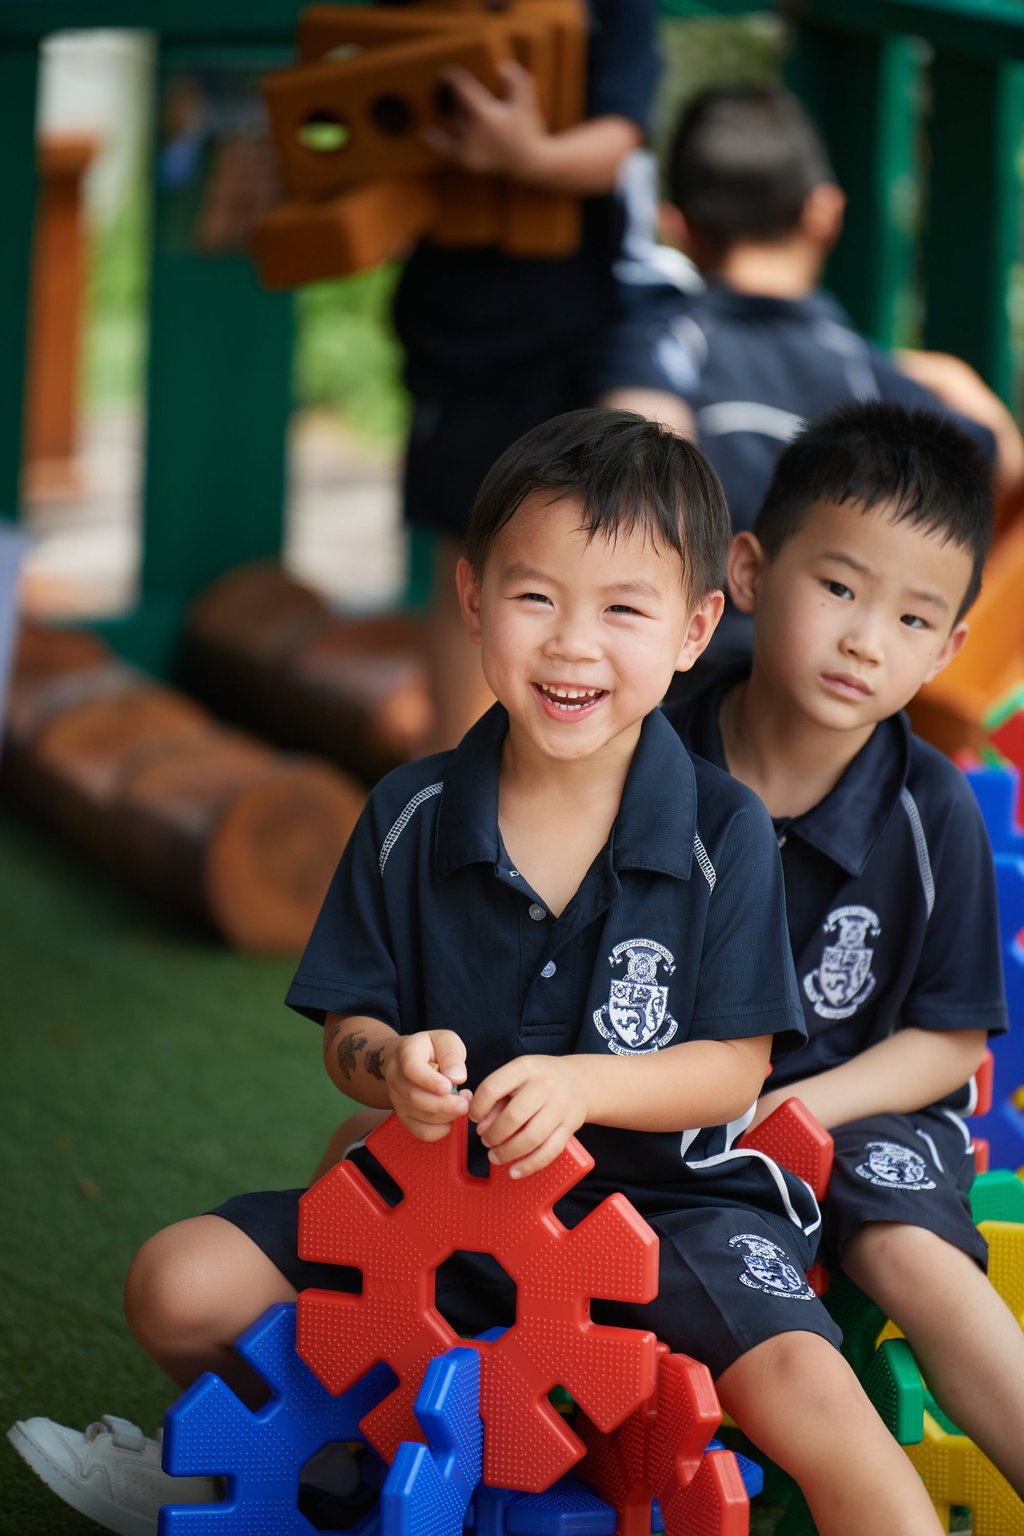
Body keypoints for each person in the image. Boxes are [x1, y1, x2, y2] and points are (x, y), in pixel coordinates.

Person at [9, 410, 945, 1536]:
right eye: (535, 597)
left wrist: (584, 1086)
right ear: (470, 599)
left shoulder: (720, 828)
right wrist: (390, 1064)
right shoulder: (408, 815)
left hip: (668, 1210)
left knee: (816, 1398)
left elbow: (730, 1072)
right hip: (444, 1209)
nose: (572, 646)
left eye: (624, 610)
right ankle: (319, 1487)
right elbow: (349, 1029)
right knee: (178, 1285)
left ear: (696, 629)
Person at [666, 398, 1024, 1506]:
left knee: (914, 1258)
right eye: (838, 589)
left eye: (915, 620)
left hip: (859, 1104)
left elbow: (948, 1040)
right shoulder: (649, 754)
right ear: (748, 569)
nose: (869, 640)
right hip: (665, 1121)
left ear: (951, 649)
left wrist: (801, 1110)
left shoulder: (927, 809)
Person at [597, 83, 1024, 675]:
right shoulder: (867, 373)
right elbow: (1005, 465)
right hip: (830, 672)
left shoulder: (659, 345)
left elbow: (633, 457)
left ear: (677, 227)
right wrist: (956, 378)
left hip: (678, 673)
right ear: (823, 211)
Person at [396, 1, 662, 749]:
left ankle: (571, 781)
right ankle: (453, 797)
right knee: (470, 559)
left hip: (573, 326)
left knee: (587, 542)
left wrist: (526, 155)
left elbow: (616, 143)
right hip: (460, 328)